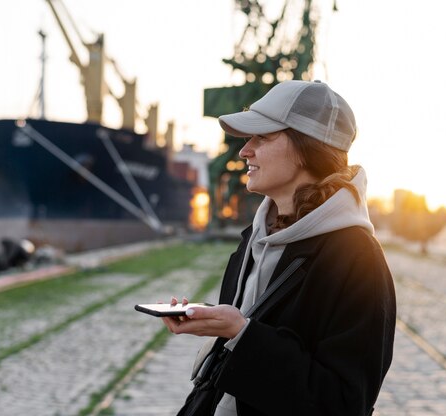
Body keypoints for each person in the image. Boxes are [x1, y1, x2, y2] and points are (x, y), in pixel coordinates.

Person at [162, 80, 396, 416]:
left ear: (306, 148)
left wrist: (241, 334)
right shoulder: (252, 240)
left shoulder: (358, 259)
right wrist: (218, 326)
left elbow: (344, 404)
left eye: (263, 137)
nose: (244, 151)